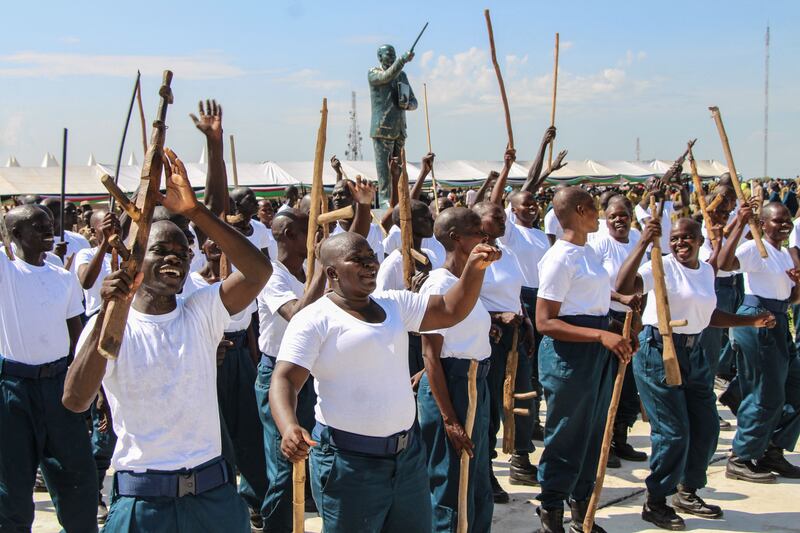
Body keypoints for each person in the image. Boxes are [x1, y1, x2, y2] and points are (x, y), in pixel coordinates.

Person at [63, 148, 273, 531]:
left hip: (213, 499)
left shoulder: (200, 311)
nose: (175, 258)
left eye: (182, 252)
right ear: (134, 257)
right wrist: (112, 310)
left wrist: (196, 212)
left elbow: (258, 271)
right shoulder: (110, 326)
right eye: (161, 250)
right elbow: (75, 400)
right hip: (144, 502)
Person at [269, 230, 501, 533]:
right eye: (358, 260)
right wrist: (288, 426)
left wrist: (473, 269)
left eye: (371, 257)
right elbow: (285, 379)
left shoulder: (393, 304)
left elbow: (450, 309)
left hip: (407, 458)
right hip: (349, 464)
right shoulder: (314, 319)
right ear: (332, 273)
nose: (371, 265)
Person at [617, 216, 775, 530]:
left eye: (687, 238)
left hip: (695, 352)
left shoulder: (705, 270)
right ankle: (656, 501)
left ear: (699, 241)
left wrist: (750, 321)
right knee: (674, 433)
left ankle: (686, 491)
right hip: (658, 351)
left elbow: (708, 314)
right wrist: (643, 244)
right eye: (675, 238)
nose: (680, 244)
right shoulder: (659, 267)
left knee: (706, 427)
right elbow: (623, 286)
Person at [535, 186, 634, 533]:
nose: (600, 214)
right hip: (570, 353)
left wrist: (620, 299)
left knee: (594, 431)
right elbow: (545, 320)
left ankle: (583, 509)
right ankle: (550, 511)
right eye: (595, 208)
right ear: (581, 210)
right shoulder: (560, 257)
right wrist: (600, 334)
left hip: (597, 350)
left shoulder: (587, 251)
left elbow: (588, 291)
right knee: (567, 434)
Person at [0, 204, 97, 532]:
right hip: (13, 388)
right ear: (13, 235)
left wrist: (84, 382)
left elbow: (77, 332)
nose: (48, 231)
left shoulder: (61, 276)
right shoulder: (5, 268)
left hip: (59, 386)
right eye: (37, 226)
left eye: (49, 224)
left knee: (77, 480)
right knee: (12, 488)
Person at [417, 207, 494, 532]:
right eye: (477, 231)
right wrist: (449, 418)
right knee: (453, 483)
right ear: (456, 238)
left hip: (476, 382)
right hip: (455, 387)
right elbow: (430, 355)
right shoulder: (439, 284)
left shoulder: (467, 281)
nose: (485, 237)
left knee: (474, 480)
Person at [254, 207, 328, 532]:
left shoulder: (305, 274)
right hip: (278, 375)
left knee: (314, 453)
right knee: (286, 462)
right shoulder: (272, 275)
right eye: (308, 231)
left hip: (310, 372)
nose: (315, 238)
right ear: (289, 235)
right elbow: (297, 316)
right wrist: (323, 268)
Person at [717, 202, 800, 482]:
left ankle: (771, 448)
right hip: (757, 319)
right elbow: (724, 264)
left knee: (794, 386)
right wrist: (740, 224)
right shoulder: (755, 248)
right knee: (765, 392)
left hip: (778, 318)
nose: (784, 225)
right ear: (763, 224)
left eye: (787, 220)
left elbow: (791, 298)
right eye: (778, 221)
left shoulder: (785, 255)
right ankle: (741, 456)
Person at [472, 198, 537, 496]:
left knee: (522, 399)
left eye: (503, 218)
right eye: (496, 217)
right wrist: (496, 316)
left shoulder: (507, 253)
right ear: (479, 221)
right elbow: (465, 300)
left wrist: (524, 320)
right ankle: (484, 470)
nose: (503, 222)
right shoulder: (472, 256)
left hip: (514, 334)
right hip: (488, 337)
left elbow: (516, 292)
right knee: (490, 407)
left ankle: (521, 458)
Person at [588, 195, 648, 467]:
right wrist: (621, 299)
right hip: (609, 317)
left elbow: (643, 282)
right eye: (613, 216)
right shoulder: (600, 245)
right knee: (608, 383)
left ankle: (621, 439)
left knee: (628, 387)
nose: (618, 220)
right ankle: (604, 442)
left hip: (632, 320)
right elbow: (595, 282)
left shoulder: (637, 242)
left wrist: (639, 316)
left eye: (623, 215)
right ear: (605, 218)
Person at [369, 43, 417, 206]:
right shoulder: (374, 73)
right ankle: (385, 201)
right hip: (382, 129)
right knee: (385, 172)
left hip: (399, 130)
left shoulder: (402, 76)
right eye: (388, 54)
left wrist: (407, 104)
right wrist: (403, 60)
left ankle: (401, 198)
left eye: (394, 54)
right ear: (380, 57)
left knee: (400, 171)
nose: (392, 57)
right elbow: (386, 77)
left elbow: (414, 101)